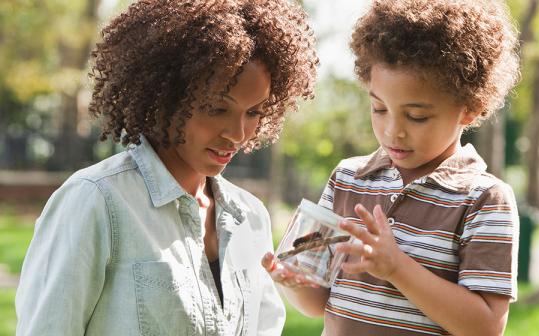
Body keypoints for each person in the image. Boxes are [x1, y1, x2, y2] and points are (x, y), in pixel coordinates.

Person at [15, 0, 318, 335]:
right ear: (168, 96)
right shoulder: (95, 201)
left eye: (254, 112)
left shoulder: (251, 217)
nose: (238, 134)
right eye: (217, 108)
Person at [262, 0, 520, 335]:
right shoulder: (348, 179)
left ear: (470, 109)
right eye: (379, 108)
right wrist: (293, 280)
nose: (392, 131)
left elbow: (485, 328)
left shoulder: (484, 199)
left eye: (417, 116)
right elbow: (316, 303)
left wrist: (396, 267)